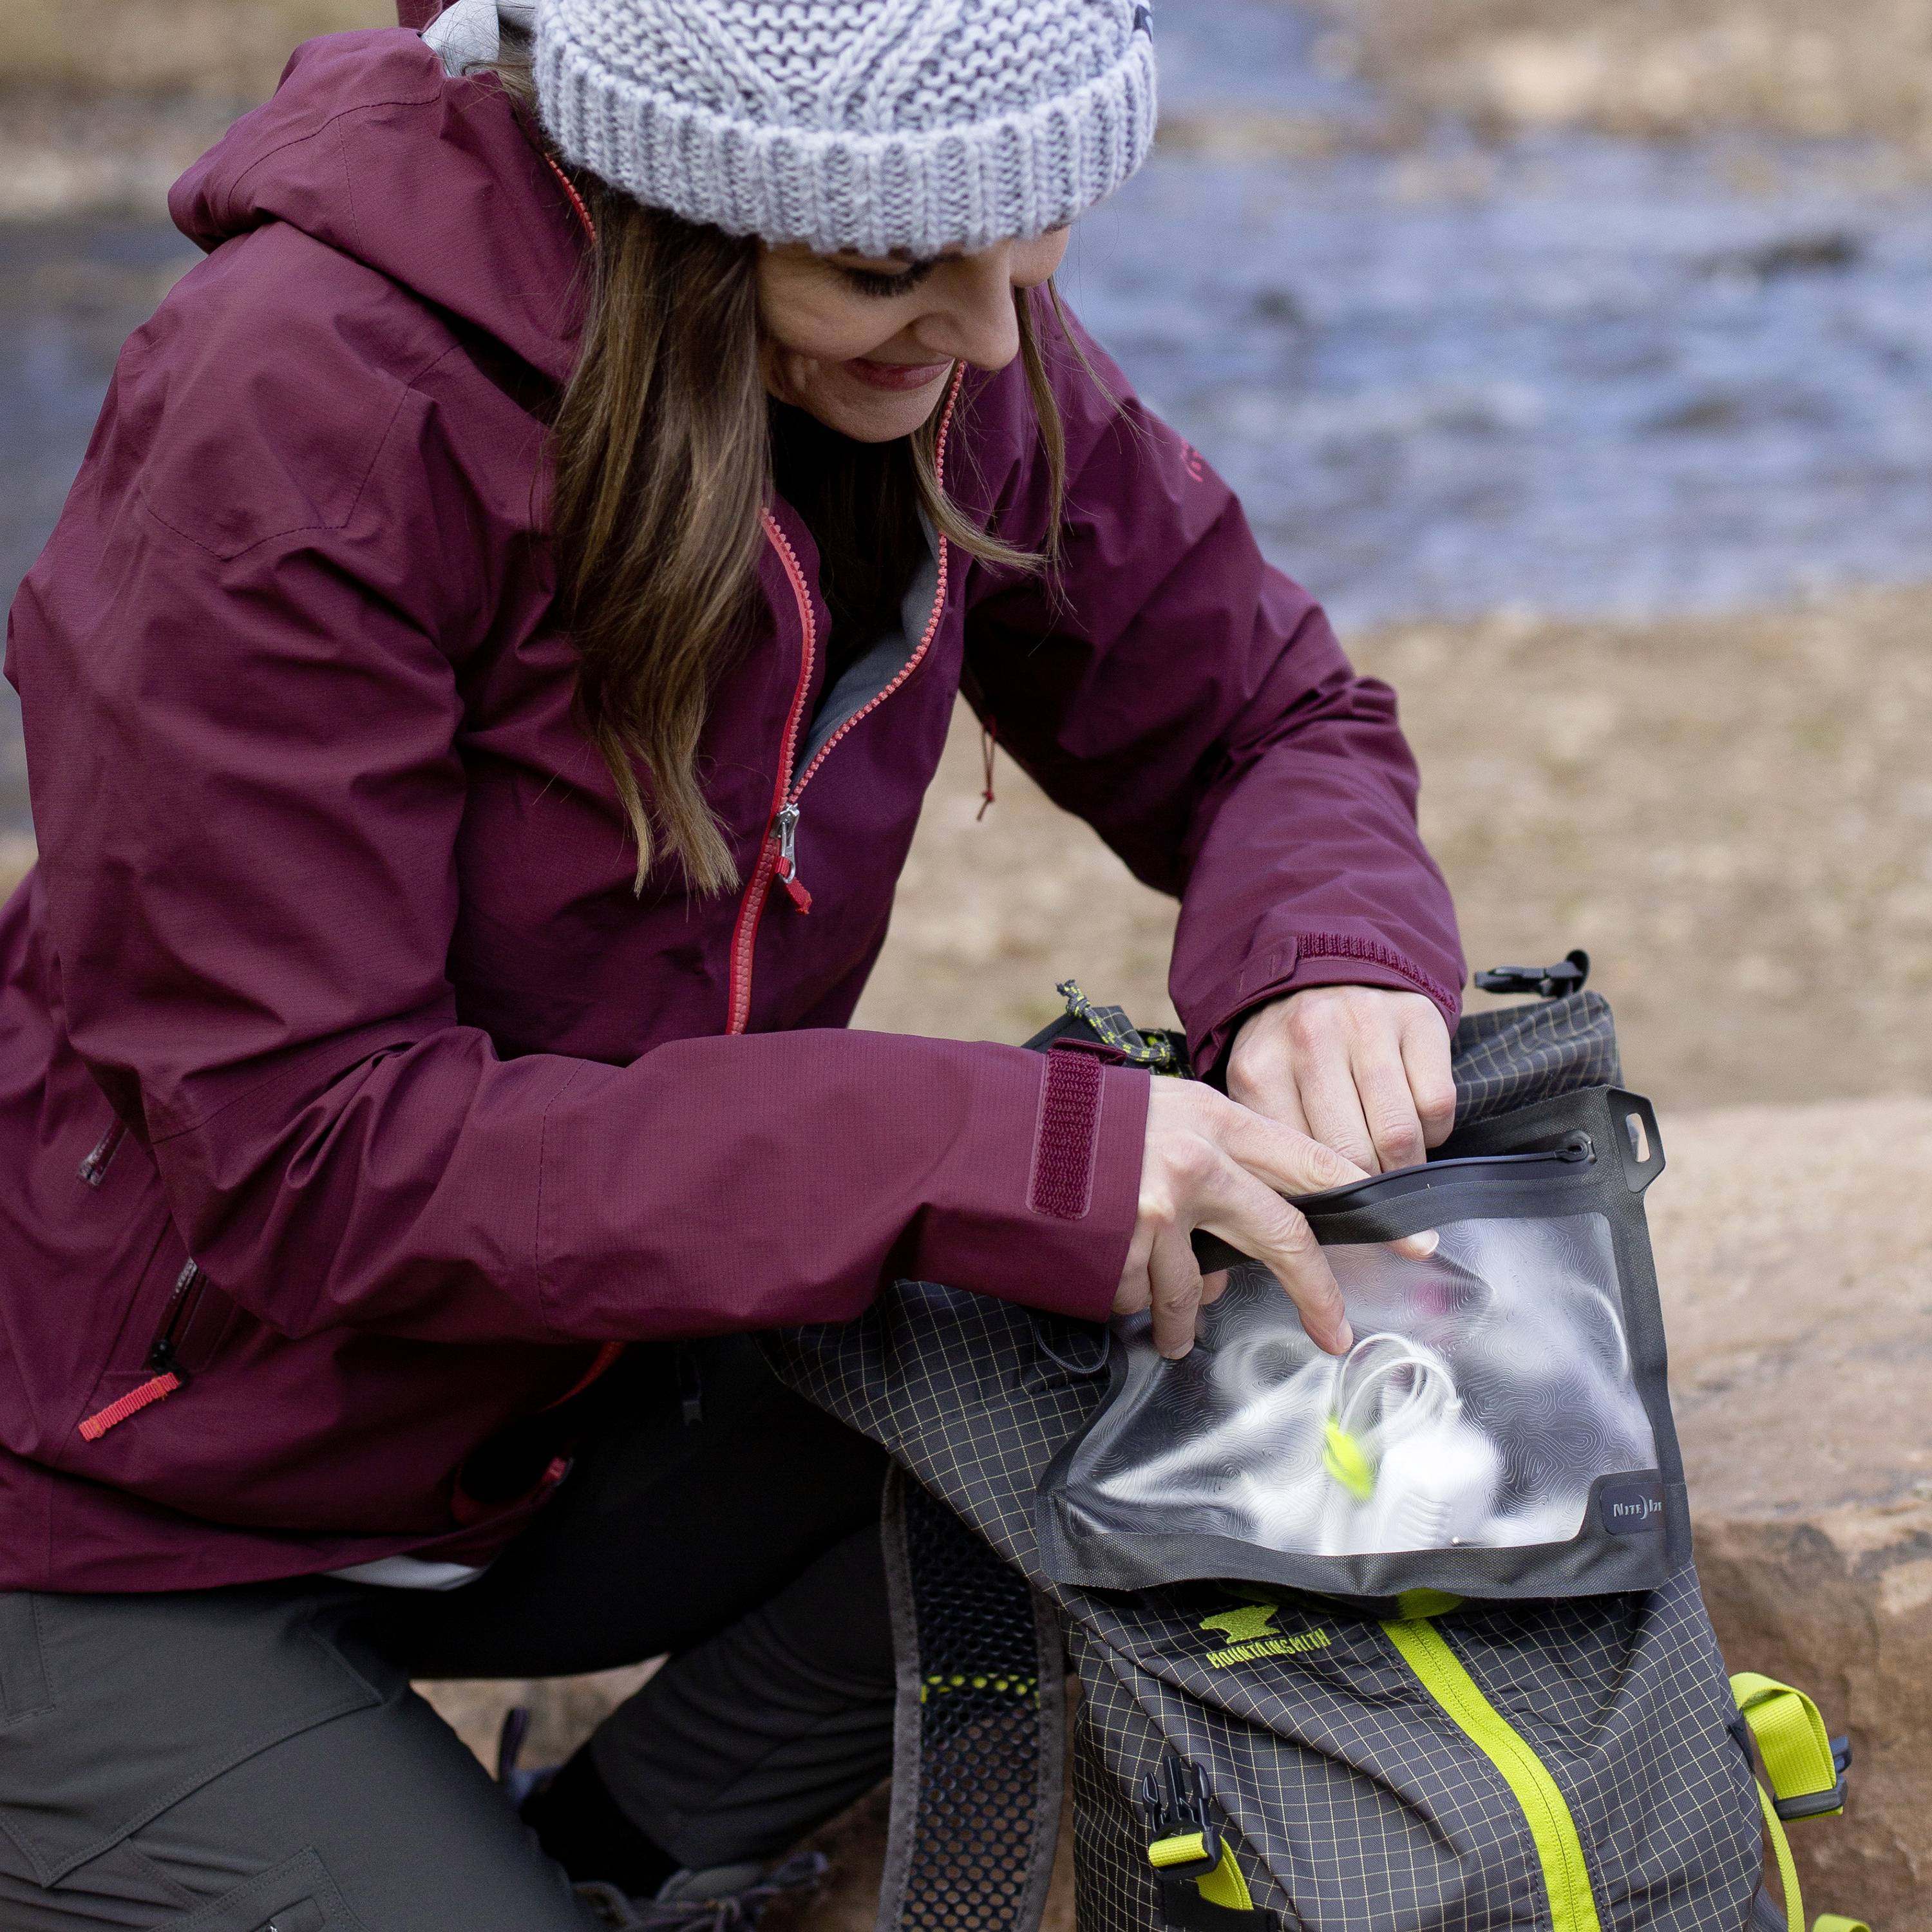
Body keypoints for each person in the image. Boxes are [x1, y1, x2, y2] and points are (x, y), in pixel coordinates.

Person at [0, 1, 1464, 1926]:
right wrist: (997, 1147)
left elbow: (1266, 722)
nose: (992, 341)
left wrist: (1323, 960)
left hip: (557, 1402)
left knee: (1207, 1375)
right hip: (115, 1491)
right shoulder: (291, 400)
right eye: (887, 273)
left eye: (1030, 249)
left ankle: (606, 1863)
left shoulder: (925, 330)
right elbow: (310, 1160)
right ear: (661, 200)